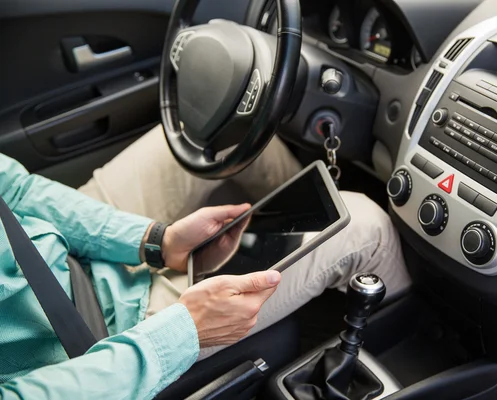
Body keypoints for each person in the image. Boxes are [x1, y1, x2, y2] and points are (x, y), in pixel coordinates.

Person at [0, 125, 411, 399]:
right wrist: (183, 332)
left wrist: (154, 240)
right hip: (97, 339)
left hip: (62, 251)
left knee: (219, 133)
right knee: (363, 225)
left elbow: (14, 191)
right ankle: (414, 340)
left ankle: (302, 228)